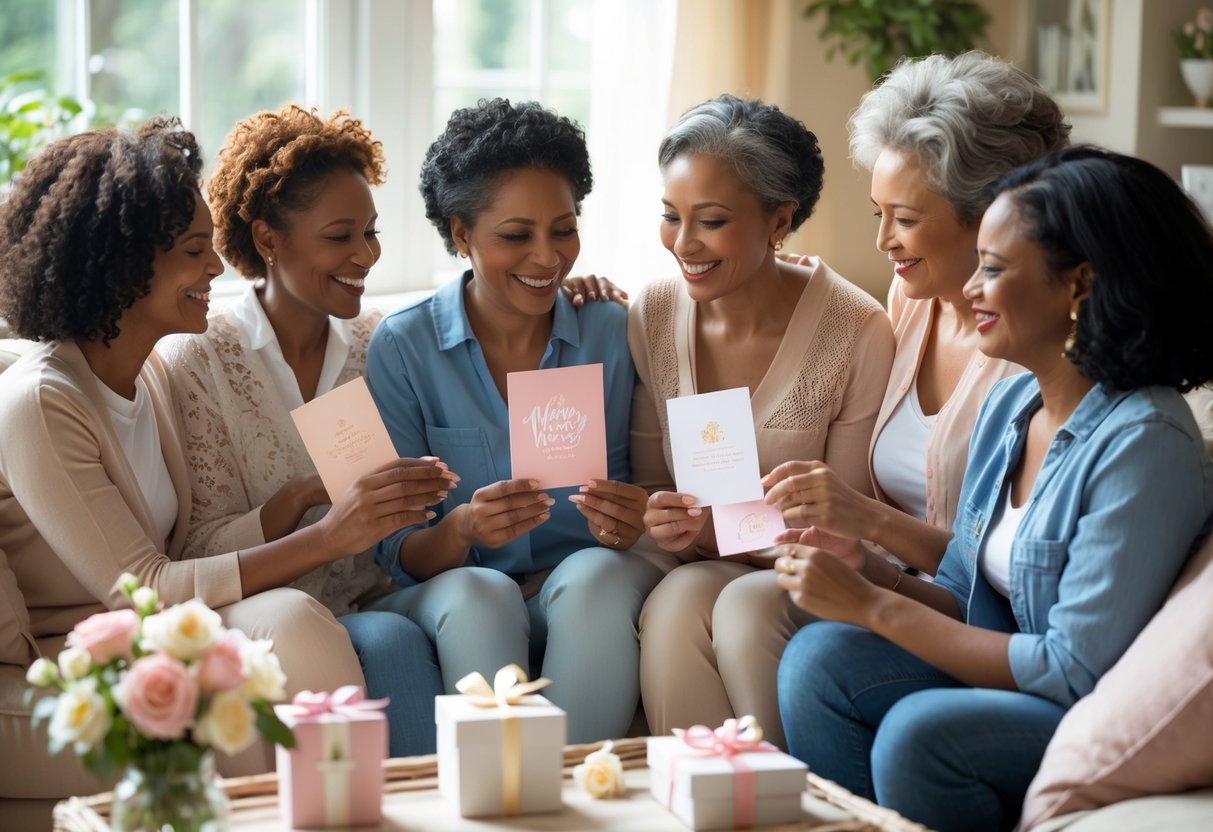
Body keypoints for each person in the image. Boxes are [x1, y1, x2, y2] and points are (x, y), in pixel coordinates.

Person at [776, 146, 1213, 831]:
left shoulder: (1147, 443)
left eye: (993, 268)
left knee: (921, 732)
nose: (971, 289)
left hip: (1080, 703)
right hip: (1016, 671)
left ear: (1078, 285)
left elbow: (1071, 667)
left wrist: (873, 607)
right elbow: (962, 594)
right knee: (817, 660)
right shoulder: (1012, 407)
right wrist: (864, 572)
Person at [0, 119, 417, 774]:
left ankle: (348, 802)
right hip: (94, 647)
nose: (217, 266)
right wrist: (329, 536)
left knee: (293, 620)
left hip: (171, 632)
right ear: (125, 264)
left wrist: (301, 498)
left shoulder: (155, 374)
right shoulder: (41, 402)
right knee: (295, 623)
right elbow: (145, 587)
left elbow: (189, 547)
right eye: (195, 250)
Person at [364, 98, 664, 744]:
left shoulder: (613, 330)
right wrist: (463, 528)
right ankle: (503, 790)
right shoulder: (403, 347)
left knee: (597, 579)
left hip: (584, 576)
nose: (548, 257)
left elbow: (651, 493)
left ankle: (569, 793)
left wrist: (631, 518)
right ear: (461, 233)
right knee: (480, 594)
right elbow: (401, 553)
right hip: (458, 588)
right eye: (515, 235)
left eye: (563, 228)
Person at [158, 105, 450, 756]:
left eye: (371, 233)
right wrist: (299, 497)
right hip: (267, 611)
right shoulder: (200, 358)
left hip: (379, 596)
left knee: (403, 632)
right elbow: (197, 547)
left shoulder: (382, 344)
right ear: (267, 239)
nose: (365, 256)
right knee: (388, 641)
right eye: (341, 236)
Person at [632, 94, 895, 747]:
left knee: (742, 611)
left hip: (811, 566)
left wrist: (716, 526)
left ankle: (790, 803)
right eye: (670, 217)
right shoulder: (653, 312)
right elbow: (646, 485)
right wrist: (661, 518)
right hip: (697, 562)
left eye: (711, 221)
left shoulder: (856, 330)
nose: (683, 244)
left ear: (778, 219)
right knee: (674, 603)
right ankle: (695, 802)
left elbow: (839, 518)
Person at [766, 51, 1070, 576]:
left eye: (904, 219)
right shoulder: (909, 300)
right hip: (882, 578)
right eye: (877, 213)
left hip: (960, 613)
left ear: (993, 212)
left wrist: (865, 520)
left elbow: (1005, 571)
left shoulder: (1042, 348)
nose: (883, 241)